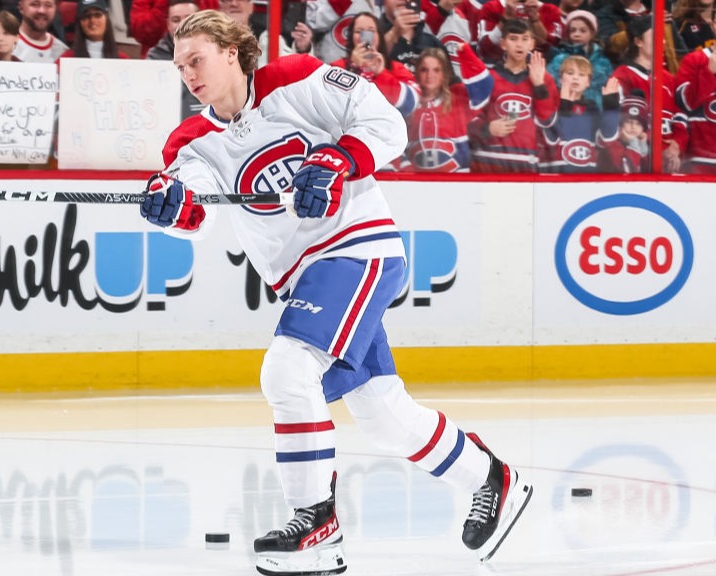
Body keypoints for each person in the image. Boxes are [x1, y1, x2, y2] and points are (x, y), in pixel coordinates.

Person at [140, 9, 533, 574]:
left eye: (196, 60)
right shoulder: (193, 139)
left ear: (231, 52)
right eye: (180, 66)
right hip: (307, 279)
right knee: (380, 413)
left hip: (357, 248)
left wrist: (339, 158)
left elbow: (385, 123)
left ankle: (316, 525)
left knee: (287, 370)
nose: (188, 74)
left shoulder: (297, 78)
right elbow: (190, 200)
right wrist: (169, 205)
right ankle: (492, 478)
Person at [469, 18, 558, 173]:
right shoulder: (487, 77)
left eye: (525, 39)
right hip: (487, 160)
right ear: (503, 44)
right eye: (513, 39)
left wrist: (539, 85)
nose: (519, 44)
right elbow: (469, 120)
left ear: (532, 44)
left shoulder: (544, 78)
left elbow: (548, 123)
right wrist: (487, 128)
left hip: (526, 161)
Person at [611, 16, 687, 173]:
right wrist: (660, 147)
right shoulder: (622, 76)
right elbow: (621, 123)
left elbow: (680, 117)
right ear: (638, 42)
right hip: (638, 162)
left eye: (663, 38)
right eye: (655, 37)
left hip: (669, 163)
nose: (663, 42)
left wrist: (677, 145)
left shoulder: (668, 78)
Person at [405, 44, 493, 171]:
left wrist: (465, 53)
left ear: (444, 74)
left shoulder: (457, 97)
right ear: (417, 72)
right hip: (416, 183)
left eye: (436, 70)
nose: (430, 75)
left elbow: (485, 85)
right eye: (424, 70)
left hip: (456, 181)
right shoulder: (409, 101)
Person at [330, 13, 418, 119]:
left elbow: (410, 104)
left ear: (380, 36)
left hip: (385, 131)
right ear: (351, 37)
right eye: (359, 31)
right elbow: (330, 103)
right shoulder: (337, 67)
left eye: (371, 31)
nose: (366, 36)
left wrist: (381, 73)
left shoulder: (396, 68)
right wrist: (352, 67)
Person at [540, 57, 621, 172]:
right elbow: (551, 139)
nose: (575, 77)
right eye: (570, 73)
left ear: (588, 82)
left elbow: (607, 139)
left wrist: (611, 107)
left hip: (586, 178)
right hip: (555, 177)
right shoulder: (551, 105)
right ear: (561, 78)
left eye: (582, 74)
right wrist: (564, 106)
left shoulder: (593, 111)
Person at [146, 0, 204, 119]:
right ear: (168, 24)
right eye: (176, 20)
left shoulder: (217, 52)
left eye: (188, 19)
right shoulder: (155, 58)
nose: (182, 25)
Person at [546, 10, 612, 110]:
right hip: (565, 110)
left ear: (592, 33)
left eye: (583, 30)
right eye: (573, 30)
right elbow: (550, 86)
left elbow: (608, 89)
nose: (577, 34)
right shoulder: (559, 60)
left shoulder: (603, 62)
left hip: (595, 114)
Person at [217, 0, 313, 66]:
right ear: (219, 7)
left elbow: (292, 71)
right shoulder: (210, 40)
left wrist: (303, 49)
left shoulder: (269, 40)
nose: (234, 3)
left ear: (251, 7)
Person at [0, 0, 69, 63]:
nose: (42, 11)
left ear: (55, 9)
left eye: (48, 5)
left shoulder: (63, 52)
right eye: (34, 4)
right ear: (21, 8)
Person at [673, 41, 716, 173]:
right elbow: (685, 104)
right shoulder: (695, 59)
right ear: (713, 24)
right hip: (700, 161)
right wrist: (709, 72)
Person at [472, 0, 562, 63]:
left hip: (538, 70)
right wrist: (505, 19)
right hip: (498, 69)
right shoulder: (492, 7)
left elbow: (552, 52)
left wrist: (535, 21)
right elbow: (483, 50)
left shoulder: (549, 10)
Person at [130, 0, 217, 57]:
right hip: (161, 60)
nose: (183, 24)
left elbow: (213, 27)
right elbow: (142, 33)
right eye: (176, 20)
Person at [379, 0, 445, 73]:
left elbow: (451, 79)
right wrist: (394, 33)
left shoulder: (432, 42)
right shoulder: (374, 32)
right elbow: (372, 61)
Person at [57, 0, 130, 59]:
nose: (92, 20)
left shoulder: (123, 60)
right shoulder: (66, 59)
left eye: (97, 15)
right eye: (86, 16)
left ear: (107, 18)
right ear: (79, 22)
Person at [600, 89, 648, 172]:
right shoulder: (612, 147)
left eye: (638, 124)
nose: (633, 127)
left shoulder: (642, 145)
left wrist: (642, 146)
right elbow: (629, 171)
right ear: (621, 125)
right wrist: (634, 143)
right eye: (629, 122)